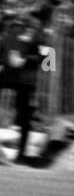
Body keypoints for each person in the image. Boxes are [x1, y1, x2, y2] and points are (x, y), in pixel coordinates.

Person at [0, 13, 43, 164]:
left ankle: (22, 154)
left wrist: (25, 61)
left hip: (26, 80)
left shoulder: (40, 36)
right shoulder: (10, 32)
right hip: (7, 75)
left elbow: (49, 62)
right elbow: (3, 48)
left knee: (24, 116)